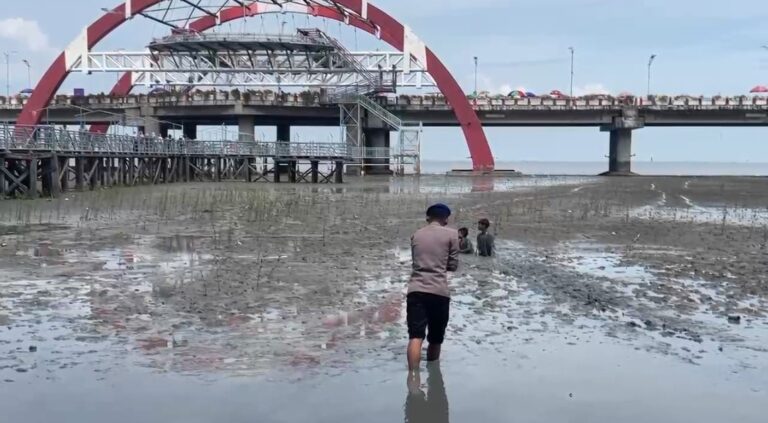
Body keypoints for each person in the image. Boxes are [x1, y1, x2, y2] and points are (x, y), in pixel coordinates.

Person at [407, 203, 459, 372]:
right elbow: (452, 265)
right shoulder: (452, 235)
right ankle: (433, 376)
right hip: (439, 291)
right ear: (446, 219)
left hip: (416, 290)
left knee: (416, 336)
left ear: (428, 218)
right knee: (436, 338)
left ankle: (413, 379)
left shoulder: (417, 234)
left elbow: (415, 260)